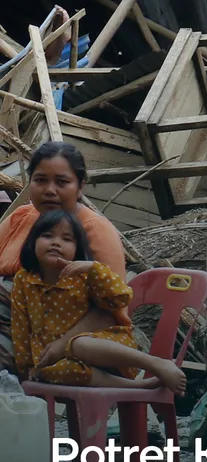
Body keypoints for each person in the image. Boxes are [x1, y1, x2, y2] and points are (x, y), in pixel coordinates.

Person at [11, 209, 185, 393]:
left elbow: (122, 297)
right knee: (49, 371)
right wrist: (26, 366)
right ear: (32, 242)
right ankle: (136, 387)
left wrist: (95, 269)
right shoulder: (24, 279)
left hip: (104, 347)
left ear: (77, 249)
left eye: (67, 239)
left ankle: (156, 363)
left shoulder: (85, 276)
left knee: (78, 344)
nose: (56, 242)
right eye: (47, 235)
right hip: (62, 360)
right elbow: (20, 325)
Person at [0, 140, 128, 372]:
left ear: (80, 187)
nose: (50, 190)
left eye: (62, 182)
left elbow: (110, 309)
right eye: (40, 180)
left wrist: (60, 345)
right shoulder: (21, 216)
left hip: (59, 339)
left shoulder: (95, 231)